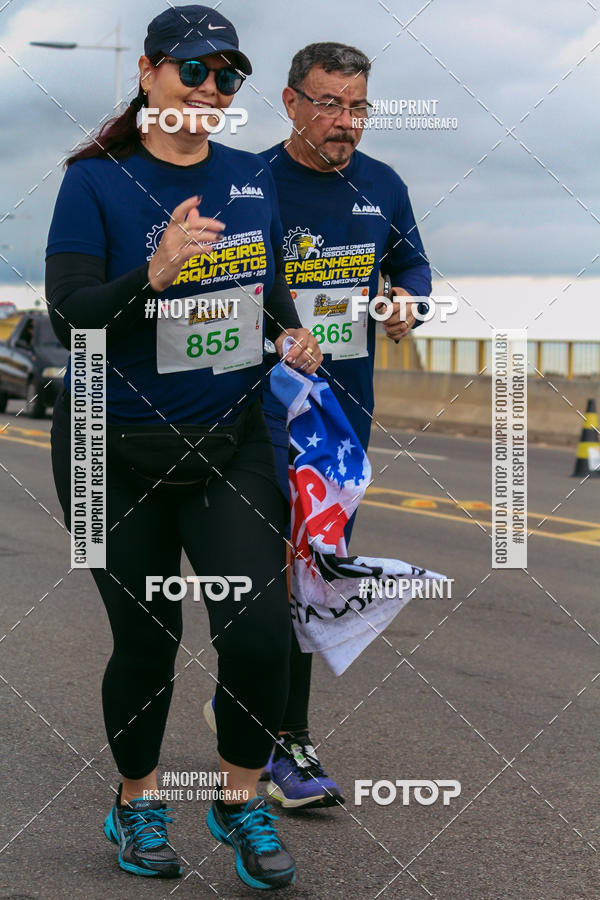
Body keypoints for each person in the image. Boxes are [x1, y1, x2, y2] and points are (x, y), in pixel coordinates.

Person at [46, 5, 321, 890]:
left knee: (259, 634)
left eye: (226, 77)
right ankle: (136, 801)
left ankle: (238, 804)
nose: (210, 90)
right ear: (149, 73)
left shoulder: (249, 177)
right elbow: (72, 314)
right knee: (147, 643)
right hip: (106, 446)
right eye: (193, 71)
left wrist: (290, 333)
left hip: (227, 440)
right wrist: (154, 273)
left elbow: (267, 283)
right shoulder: (93, 183)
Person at [256, 42, 432, 808]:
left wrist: (408, 302)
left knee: (314, 583)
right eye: (328, 104)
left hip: (340, 429)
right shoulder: (250, 181)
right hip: (256, 419)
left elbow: (414, 265)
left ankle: (284, 741)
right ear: (292, 102)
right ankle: (262, 729)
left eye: (357, 106)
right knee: (259, 588)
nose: (344, 122)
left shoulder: (385, 185)